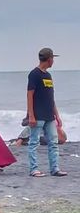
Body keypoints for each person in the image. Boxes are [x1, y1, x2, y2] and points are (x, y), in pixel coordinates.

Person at [27, 47, 66, 177]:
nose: (53, 61)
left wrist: (57, 115)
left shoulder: (48, 75)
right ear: (49, 59)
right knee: (34, 143)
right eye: (53, 58)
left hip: (49, 115)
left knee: (53, 142)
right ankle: (34, 169)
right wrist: (31, 115)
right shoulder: (34, 74)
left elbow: (51, 97)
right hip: (38, 115)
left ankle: (54, 168)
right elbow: (29, 95)